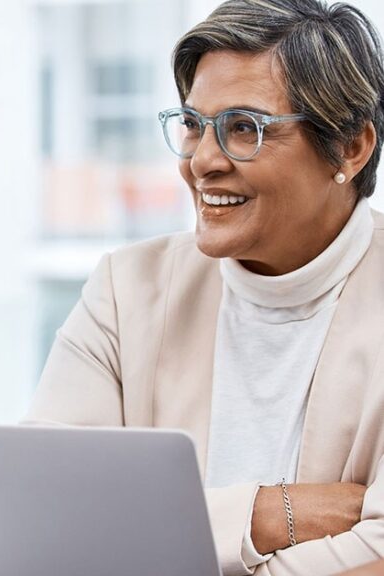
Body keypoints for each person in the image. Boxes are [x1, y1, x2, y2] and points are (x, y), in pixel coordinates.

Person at [24, 1, 384, 574]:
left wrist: (159, 538)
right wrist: (268, 515)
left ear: (350, 147)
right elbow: (41, 519)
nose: (203, 162)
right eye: (194, 125)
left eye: (245, 128)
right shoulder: (126, 291)